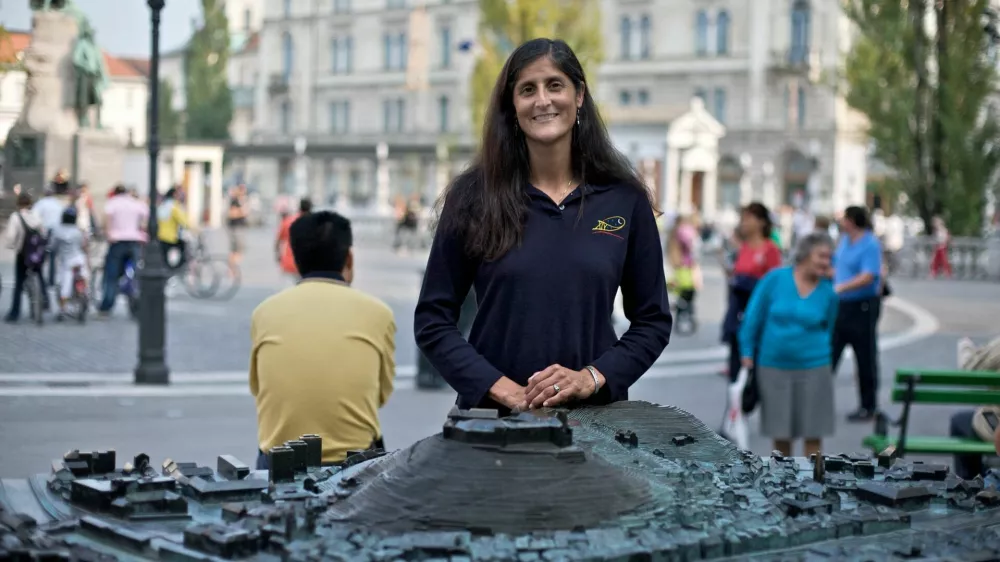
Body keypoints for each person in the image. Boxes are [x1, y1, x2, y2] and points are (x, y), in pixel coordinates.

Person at [414, 38, 673, 414]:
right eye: (527, 90)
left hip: (596, 423)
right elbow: (432, 320)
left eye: (555, 85)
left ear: (578, 95)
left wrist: (591, 378)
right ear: (512, 105)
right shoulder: (473, 197)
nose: (542, 100)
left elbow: (653, 321)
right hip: (493, 423)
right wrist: (501, 389)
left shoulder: (623, 198)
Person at [250, 211, 396, 468]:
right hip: (353, 464)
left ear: (295, 260)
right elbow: (381, 395)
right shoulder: (379, 313)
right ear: (349, 258)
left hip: (279, 463)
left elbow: (258, 388)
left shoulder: (264, 313)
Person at [739, 232, 839, 457]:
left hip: (815, 367)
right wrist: (747, 351)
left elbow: (830, 328)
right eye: (821, 256)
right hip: (774, 366)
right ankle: (783, 479)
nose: (826, 262)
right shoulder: (774, 279)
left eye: (829, 258)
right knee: (780, 434)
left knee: (814, 433)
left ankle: (813, 478)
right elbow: (753, 317)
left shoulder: (828, 292)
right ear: (804, 255)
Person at [721, 202, 783, 387]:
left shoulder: (770, 249)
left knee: (756, 372)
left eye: (749, 218)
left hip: (758, 313)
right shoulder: (744, 248)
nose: (744, 222)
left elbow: (775, 285)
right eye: (743, 218)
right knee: (735, 368)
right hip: (738, 313)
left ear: (762, 222)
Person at [832, 205, 884, 422]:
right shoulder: (845, 241)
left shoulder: (869, 243)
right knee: (830, 351)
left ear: (852, 220)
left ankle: (868, 405)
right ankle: (817, 398)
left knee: (864, 356)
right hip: (842, 304)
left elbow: (869, 275)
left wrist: (841, 287)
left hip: (862, 304)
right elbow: (838, 266)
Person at [948, 336, 1000, 479]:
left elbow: (970, 369)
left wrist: (965, 346)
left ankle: (969, 484)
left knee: (959, 421)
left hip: (996, 427)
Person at [98, 185, 148, 317]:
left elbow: (107, 220)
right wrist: (140, 231)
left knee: (111, 275)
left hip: (117, 241)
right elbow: (145, 221)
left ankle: (106, 307)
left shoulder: (113, 203)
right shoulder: (136, 203)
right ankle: (137, 303)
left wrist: (108, 233)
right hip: (135, 240)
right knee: (137, 273)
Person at [3, 193, 46, 323]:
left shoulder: (16, 217)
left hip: (23, 253)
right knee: (40, 276)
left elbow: (11, 236)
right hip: (36, 253)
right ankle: (44, 301)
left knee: (19, 283)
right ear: (30, 203)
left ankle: (14, 313)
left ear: (18, 204)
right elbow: (43, 232)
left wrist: (11, 245)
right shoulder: (36, 215)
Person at [48, 207, 89, 320]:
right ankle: (85, 294)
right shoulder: (78, 231)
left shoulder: (57, 231)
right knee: (84, 277)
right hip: (79, 259)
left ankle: (62, 309)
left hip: (66, 262)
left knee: (63, 286)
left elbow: (52, 246)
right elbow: (83, 245)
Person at [275, 197, 313, 282]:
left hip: (290, 264)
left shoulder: (288, 221)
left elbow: (278, 241)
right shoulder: (317, 224)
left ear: (299, 207)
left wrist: (278, 256)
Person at [157, 187, 191, 271]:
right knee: (181, 251)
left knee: (165, 257)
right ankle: (176, 268)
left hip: (160, 236)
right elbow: (184, 222)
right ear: (174, 195)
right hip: (171, 236)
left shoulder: (162, 205)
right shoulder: (174, 207)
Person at [227, 184, 250, 266]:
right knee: (236, 250)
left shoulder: (242, 201)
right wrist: (242, 211)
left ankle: (234, 267)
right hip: (235, 227)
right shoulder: (235, 201)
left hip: (240, 227)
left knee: (239, 250)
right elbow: (231, 214)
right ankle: (232, 267)